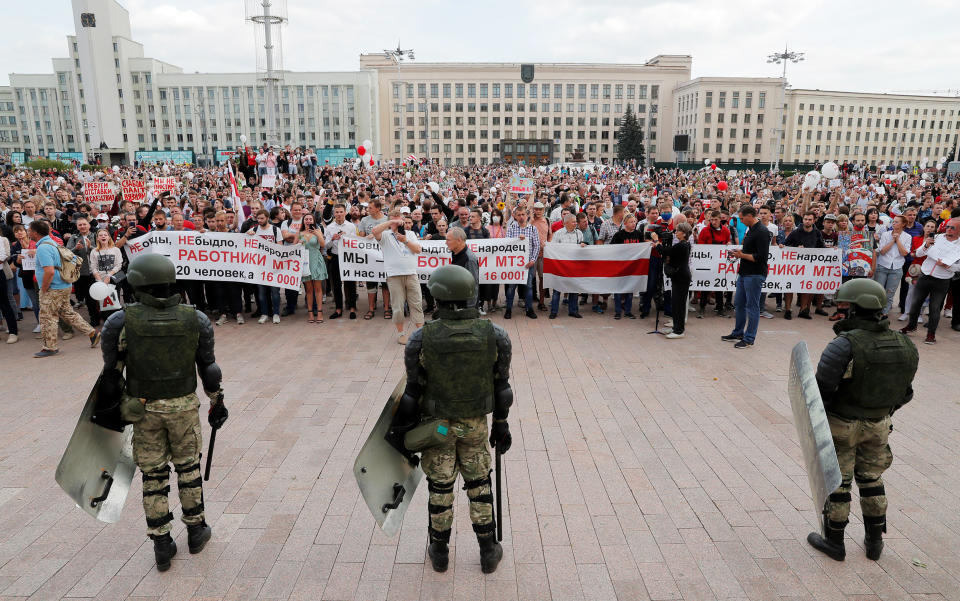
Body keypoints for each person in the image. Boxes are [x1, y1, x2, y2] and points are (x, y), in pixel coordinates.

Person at [99, 254, 228, 572]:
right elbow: (209, 370)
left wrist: (109, 416)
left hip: (142, 410)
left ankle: (161, 542)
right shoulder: (195, 319)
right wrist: (217, 402)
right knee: (189, 470)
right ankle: (197, 531)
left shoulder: (120, 322)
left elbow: (111, 376)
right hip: (183, 407)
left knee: (153, 476)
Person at [387, 265, 513, 574]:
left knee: (440, 487)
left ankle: (440, 551)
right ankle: (487, 551)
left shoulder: (420, 338)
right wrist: (501, 423)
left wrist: (400, 434)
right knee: (480, 484)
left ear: (438, 297)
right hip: (475, 425)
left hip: (438, 427)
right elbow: (502, 388)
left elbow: (412, 394)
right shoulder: (495, 335)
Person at [807, 278, 918, 562]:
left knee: (839, 483)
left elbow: (821, 391)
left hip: (842, 424)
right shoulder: (905, 345)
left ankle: (834, 542)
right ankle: (874, 543)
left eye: (847, 307)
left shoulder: (844, 345)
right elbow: (905, 393)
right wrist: (880, 413)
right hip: (879, 425)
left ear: (858, 309)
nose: (843, 312)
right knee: (871, 479)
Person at [29, 220, 100, 358]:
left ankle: (50, 348)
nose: (28, 232)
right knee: (68, 313)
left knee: (47, 317)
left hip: (53, 288)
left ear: (35, 233)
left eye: (29, 230)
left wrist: (43, 289)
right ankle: (93, 333)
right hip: (63, 285)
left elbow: (49, 271)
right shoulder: (51, 243)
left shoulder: (43, 247)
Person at [901, 217, 960, 344]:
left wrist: (949, 266)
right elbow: (919, 254)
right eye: (947, 226)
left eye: (952, 227)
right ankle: (911, 326)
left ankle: (931, 334)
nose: (948, 229)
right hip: (925, 275)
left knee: (934, 308)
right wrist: (926, 245)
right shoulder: (937, 237)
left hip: (942, 280)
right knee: (915, 303)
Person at [372, 208, 424, 344]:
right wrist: (390, 222)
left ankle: (420, 332)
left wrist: (405, 240)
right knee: (398, 306)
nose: (397, 221)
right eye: (394, 218)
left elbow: (418, 249)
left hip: (411, 274)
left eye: (398, 218)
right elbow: (374, 231)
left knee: (416, 303)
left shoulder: (410, 234)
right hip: (394, 275)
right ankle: (401, 334)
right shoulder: (385, 235)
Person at [721, 206, 769, 348]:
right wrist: (740, 252)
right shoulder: (752, 229)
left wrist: (741, 255)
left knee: (752, 306)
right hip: (744, 272)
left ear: (750, 216)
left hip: (754, 274)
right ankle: (738, 332)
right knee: (739, 304)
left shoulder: (762, 232)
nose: (741, 221)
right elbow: (750, 250)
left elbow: (761, 257)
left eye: (742, 218)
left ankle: (749, 338)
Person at [651, 222, 692, 339]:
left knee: (679, 304)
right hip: (680, 276)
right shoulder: (683, 244)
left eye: (678, 230)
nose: (675, 232)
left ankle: (679, 330)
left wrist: (656, 241)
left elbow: (665, 251)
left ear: (684, 233)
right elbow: (668, 251)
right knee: (676, 303)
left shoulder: (682, 245)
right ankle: (676, 327)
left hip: (681, 277)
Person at [504, 206, 540, 320]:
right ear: (514, 216)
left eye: (523, 214)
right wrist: (517, 240)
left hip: (527, 264)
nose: (521, 217)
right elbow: (506, 244)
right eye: (518, 215)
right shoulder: (511, 228)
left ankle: (529, 309)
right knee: (511, 288)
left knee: (528, 287)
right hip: (514, 265)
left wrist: (533, 260)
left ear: (527, 215)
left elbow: (537, 246)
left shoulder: (533, 229)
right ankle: (508, 309)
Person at [324, 203, 359, 320]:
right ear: (334, 214)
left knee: (350, 284)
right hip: (335, 257)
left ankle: (352, 307)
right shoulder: (329, 228)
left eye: (341, 212)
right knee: (337, 285)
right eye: (337, 212)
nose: (339, 214)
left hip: (348, 257)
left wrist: (347, 238)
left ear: (345, 213)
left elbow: (355, 243)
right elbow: (325, 246)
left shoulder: (351, 227)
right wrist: (333, 238)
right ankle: (338, 309)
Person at [873, 215, 911, 318]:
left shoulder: (907, 237)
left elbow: (904, 253)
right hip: (883, 265)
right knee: (878, 290)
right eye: (893, 222)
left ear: (903, 224)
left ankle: (885, 312)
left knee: (890, 292)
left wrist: (898, 240)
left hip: (897, 268)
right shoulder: (885, 234)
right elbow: (882, 251)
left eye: (897, 222)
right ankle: (876, 310)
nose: (894, 224)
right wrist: (892, 241)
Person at [548, 213, 585, 319]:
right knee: (557, 289)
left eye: (575, 222)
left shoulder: (579, 233)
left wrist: (583, 244)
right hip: (561, 266)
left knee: (573, 289)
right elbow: (553, 249)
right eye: (573, 222)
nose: (575, 224)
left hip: (574, 266)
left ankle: (573, 310)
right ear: (566, 223)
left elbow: (582, 246)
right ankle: (554, 311)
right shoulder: (558, 234)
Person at [610, 213, 644, 319]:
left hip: (633, 267)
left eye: (634, 221)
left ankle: (628, 311)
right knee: (618, 290)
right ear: (625, 223)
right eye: (631, 222)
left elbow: (643, 248)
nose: (633, 224)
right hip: (620, 266)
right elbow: (611, 249)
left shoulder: (638, 234)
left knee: (630, 290)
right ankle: (618, 311)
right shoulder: (619, 235)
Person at [297, 212, 327, 323]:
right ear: (303, 221)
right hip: (305, 262)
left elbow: (323, 245)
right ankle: (310, 313)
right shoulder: (299, 233)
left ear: (313, 221)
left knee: (318, 289)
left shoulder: (318, 231)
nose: (308, 220)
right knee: (309, 290)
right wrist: (298, 244)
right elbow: (293, 249)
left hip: (316, 260)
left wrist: (317, 234)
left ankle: (319, 313)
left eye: (310, 219)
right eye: (306, 219)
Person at [444, 227, 479, 308]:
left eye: (448, 240)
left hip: (466, 306)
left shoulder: (469, 259)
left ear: (459, 240)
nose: (446, 243)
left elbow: (473, 285)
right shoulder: (455, 252)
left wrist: (470, 309)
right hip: (456, 301)